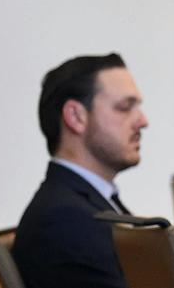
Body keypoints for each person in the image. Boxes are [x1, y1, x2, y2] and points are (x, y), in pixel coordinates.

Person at [13, 53, 149, 288]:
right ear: (76, 117)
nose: (143, 121)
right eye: (125, 108)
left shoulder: (88, 204)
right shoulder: (64, 220)